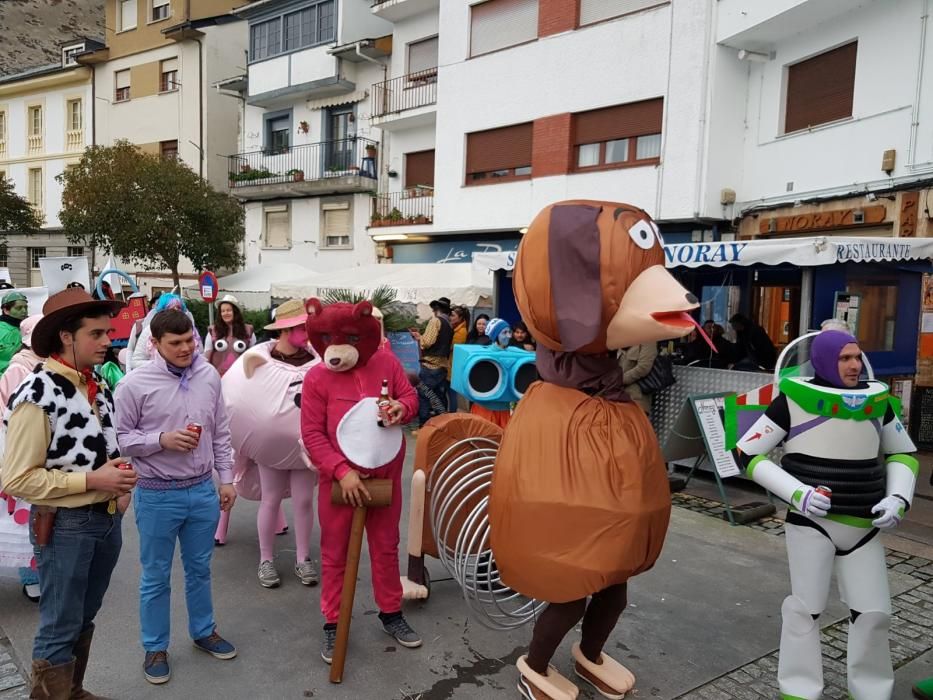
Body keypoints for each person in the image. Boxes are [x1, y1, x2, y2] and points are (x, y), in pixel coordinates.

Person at [734, 330, 918, 699]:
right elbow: (746, 454)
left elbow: (903, 453)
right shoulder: (792, 400)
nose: (853, 365)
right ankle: (799, 690)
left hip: (864, 524)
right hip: (811, 524)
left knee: (874, 613)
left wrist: (897, 497)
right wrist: (797, 493)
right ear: (823, 361)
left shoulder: (877, 401)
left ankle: (871, 690)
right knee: (805, 611)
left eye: (856, 356)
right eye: (843, 358)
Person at [0, 287, 137, 699]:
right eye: (95, 334)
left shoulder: (96, 386)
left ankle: (71, 692)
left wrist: (119, 483)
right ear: (66, 336)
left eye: (107, 332)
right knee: (60, 624)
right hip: (65, 525)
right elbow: (17, 479)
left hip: (104, 519)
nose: (106, 341)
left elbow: (105, 447)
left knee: (83, 617)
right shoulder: (36, 394)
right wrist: (93, 482)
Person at [115, 309, 238, 686]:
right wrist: (161, 440)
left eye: (190, 341)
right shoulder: (133, 384)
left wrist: (227, 479)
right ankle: (155, 647)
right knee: (155, 576)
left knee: (200, 569)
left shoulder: (209, 375)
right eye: (176, 343)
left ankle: (203, 631)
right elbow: (119, 440)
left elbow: (220, 432)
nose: (186, 349)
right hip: (157, 494)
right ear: (155, 344)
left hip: (202, 490)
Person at [301, 299, 422, 664]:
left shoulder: (386, 362)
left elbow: (410, 396)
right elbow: (312, 434)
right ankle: (333, 622)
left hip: (384, 475)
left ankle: (390, 612)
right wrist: (341, 470)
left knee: (386, 547)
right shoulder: (316, 377)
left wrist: (403, 408)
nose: (336, 351)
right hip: (340, 483)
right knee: (335, 554)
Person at [220, 299, 319, 589]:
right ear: (287, 330)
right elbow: (240, 395)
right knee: (271, 499)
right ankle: (266, 560)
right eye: (302, 328)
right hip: (270, 449)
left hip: (305, 447)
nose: (307, 334)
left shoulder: (316, 359)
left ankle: (303, 559)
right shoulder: (261, 358)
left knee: (303, 501)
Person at [0, 314, 44, 601]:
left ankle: (39, 574)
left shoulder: (45, 364)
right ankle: (31, 577)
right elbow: (9, 414)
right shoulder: (19, 368)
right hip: (18, 451)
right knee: (22, 516)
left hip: (39, 450)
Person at [128, 293, 202, 372]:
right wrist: (163, 365)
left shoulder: (191, 330)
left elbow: (200, 355)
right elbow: (135, 362)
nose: (175, 310)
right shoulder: (150, 330)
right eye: (170, 308)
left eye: (179, 307)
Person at [410, 296, 453, 426]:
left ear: (436, 310)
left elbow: (427, 343)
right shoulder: (449, 324)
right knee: (438, 395)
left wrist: (418, 337)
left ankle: (423, 425)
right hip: (442, 366)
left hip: (430, 365)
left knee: (424, 395)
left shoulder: (435, 321)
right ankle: (442, 421)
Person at [205, 294, 257, 377]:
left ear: (235, 312)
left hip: (241, 377)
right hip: (218, 377)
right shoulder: (213, 331)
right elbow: (206, 355)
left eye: (229, 310)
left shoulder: (248, 330)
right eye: (223, 311)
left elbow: (253, 354)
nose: (225, 313)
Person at [619, 342, 658, 414]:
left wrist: (619, 380)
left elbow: (643, 368)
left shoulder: (648, 341)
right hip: (618, 398)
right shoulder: (622, 341)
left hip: (636, 398)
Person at [447, 305, 470, 412]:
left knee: (452, 394)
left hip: (453, 365)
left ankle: (451, 414)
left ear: (460, 318)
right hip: (451, 364)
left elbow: (451, 347)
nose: (450, 317)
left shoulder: (461, 332)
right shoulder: (456, 329)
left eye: (452, 315)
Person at [0, 292, 28, 375]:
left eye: (25, 307)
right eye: (19, 308)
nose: (24, 311)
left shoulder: (30, 326)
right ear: (6, 310)